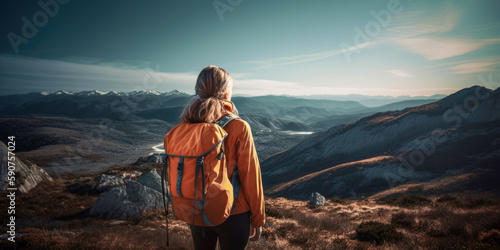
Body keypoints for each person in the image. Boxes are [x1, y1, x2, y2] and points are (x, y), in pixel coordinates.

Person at [180, 65, 265, 250]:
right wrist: (258, 219)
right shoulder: (238, 127)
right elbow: (251, 177)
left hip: (198, 212)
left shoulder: (188, 124)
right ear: (226, 93)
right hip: (234, 214)